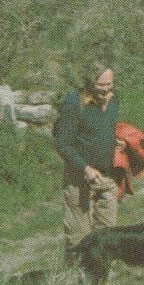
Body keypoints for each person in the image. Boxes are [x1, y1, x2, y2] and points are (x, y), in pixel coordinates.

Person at [53, 61, 118, 261]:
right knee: (79, 240)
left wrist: (117, 142)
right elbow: (62, 143)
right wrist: (84, 167)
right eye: (101, 86)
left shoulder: (113, 100)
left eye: (109, 85)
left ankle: (101, 284)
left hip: (107, 180)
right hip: (79, 181)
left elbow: (101, 131)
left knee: (108, 238)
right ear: (90, 83)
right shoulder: (74, 102)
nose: (106, 90)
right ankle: (73, 284)